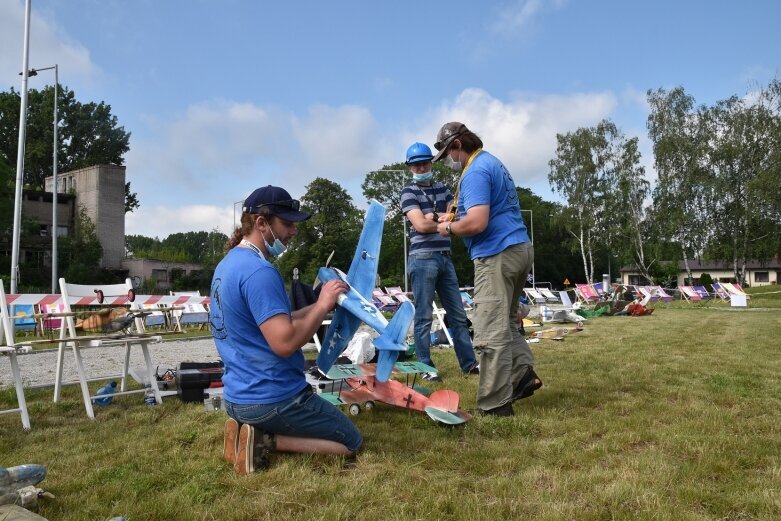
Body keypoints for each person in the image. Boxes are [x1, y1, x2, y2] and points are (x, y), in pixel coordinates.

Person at [210, 185, 363, 474]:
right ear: (261, 223)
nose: (293, 232)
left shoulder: (228, 265)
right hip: (273, 398)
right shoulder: (260, 272)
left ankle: (247, 428)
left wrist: (320, 303)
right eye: (288, 224)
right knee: (351, 441)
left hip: (236, 399)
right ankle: (266, 440)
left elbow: (273, 320)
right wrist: (320, 309)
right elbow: (284, 342)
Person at [433, 122, 542, 417]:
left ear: (457, 146)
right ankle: (522, 376)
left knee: (488, 329)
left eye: (447, 155)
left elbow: (478, 222)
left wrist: (449, 228)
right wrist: (452, 215)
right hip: (519, 248)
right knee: (506, 321)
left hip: (496, 254)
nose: (447, 162)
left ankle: (494, 404)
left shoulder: (476, 172)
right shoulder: (490, 163)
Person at [400, 142, 479, 382]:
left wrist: (434, 218)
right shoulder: (408, 192)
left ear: (430, 163)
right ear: (410, 168)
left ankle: (469, 364)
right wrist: (440, 220)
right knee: (424, 316)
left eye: (425, 162)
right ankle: (425, 366)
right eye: (416, 165)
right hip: (422, 259)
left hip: (445, 258)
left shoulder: (444, 190)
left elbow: (455, 217)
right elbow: (421, 225)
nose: (421, 167)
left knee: (457, 315)